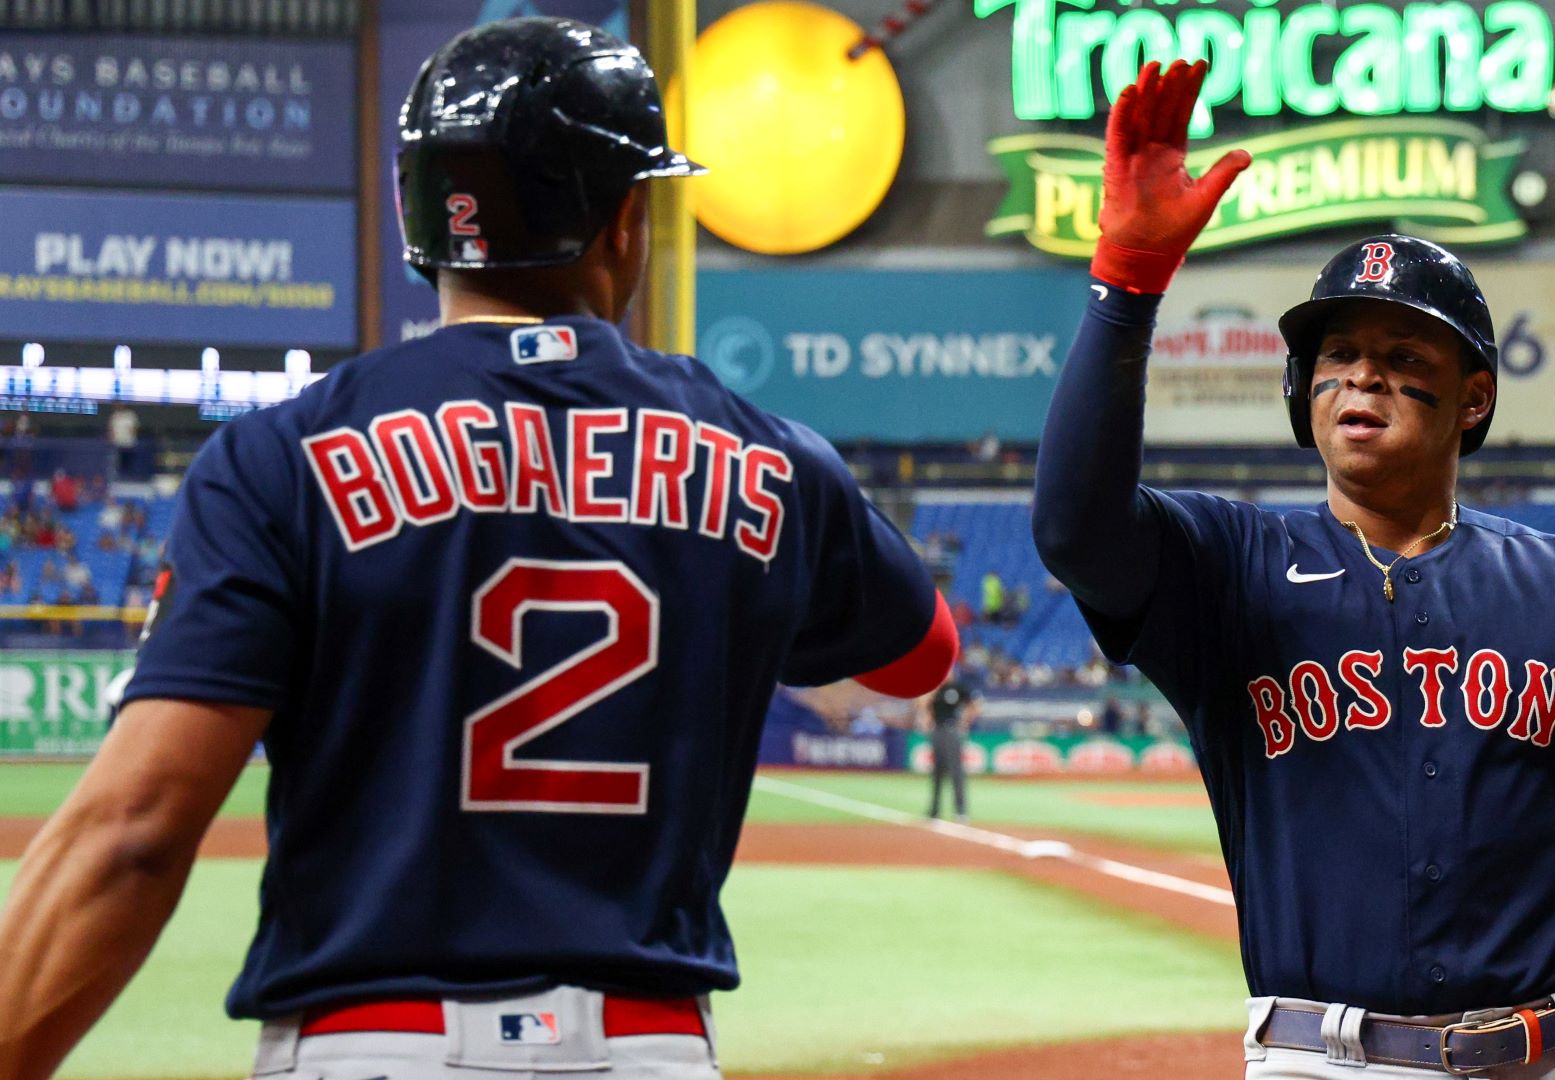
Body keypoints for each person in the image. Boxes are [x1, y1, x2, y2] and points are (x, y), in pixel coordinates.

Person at [0, 19, 956, 1080]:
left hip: (366, 1046)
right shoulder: (772, 459)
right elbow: (918, 660)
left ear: (421, 222)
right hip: (650, 1050)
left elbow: (134, 829)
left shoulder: (281, 454)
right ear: (625, 221)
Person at [1031, 60, 1555, 1078]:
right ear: (1303, 390)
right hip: (1326, 1058)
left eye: (1405, 353)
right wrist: (1125, 289)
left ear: (1473, 398)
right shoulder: (1229, 568)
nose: (1363, 372)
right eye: (1339, 350)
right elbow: (1076, 530)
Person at [922, 670, 980, 822]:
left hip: (952, 729)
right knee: (937, 771)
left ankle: (960, 811)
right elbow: (922, 705)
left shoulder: (958, 687)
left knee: (956, 770)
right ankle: (934, 811)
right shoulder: (936, 690)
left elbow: (975, 705)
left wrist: (965, 721)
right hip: (937, 730)